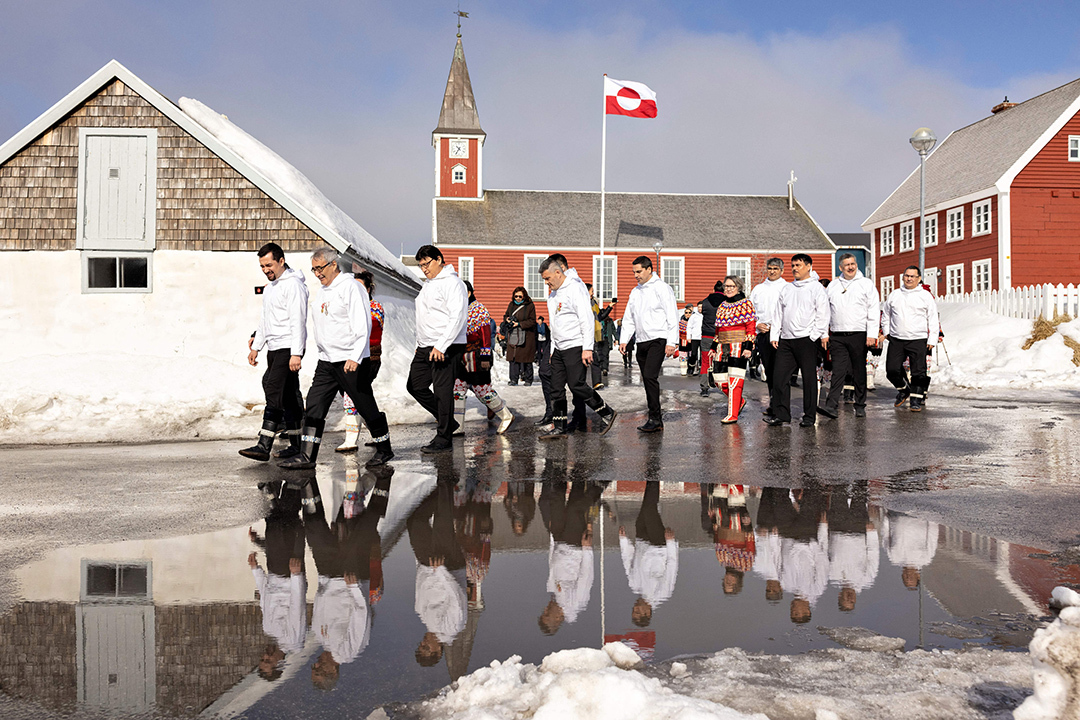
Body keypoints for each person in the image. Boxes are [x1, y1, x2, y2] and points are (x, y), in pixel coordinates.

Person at [280, 247, 393, 469]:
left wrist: (356, 356)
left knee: (364, 404)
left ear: (333, 265)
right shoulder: (322, 291)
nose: (317, 274)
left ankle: (384, 449)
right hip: (327, 361)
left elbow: (363, 324)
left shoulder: (351, 288)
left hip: (349, 360)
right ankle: (307, 456)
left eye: (320, 268)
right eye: (313, 270)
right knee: (314, 404)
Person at [240, 243, 308, 462]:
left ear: (281, 261)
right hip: (274, 346)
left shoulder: (293, 285)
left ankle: (264, 444)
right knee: (287, 394)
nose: (266, 270)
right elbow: (265, 320)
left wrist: (296, 353)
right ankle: (297, 445)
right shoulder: (270, 288)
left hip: (289, 347)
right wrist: (256, 347)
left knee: (273, 386)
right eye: (262, 266)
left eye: (269, 264)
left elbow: (298, 320)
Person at [537, 255, 618, 438]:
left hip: (575, 345)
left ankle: (606, 412)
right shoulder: (553, 294)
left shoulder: (575, 288)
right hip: (558, 348)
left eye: (548, 279)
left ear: (558, 273)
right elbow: (554, 323)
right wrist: (552, 350)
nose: (546, 283)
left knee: (576, 385)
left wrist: (587, 348)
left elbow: (586, 319)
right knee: (556, 388)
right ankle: (559, 426)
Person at [407, 245, 469, 453]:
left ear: (439, 259)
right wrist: (420, 345)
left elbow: (457, 317)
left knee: (443, 393)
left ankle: (444, 438)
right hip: (425, 347)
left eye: (427, 263)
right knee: (415, 386)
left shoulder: (453, 283)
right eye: (421, 265)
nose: (424, 268)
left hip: (446, 346)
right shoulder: (429, 285)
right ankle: (448, 422)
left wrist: (441, 346)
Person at [764, 254, 829, 427]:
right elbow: (778, 313)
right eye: (793, 265)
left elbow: (823, 314)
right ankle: (782, 414)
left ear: (808, 266)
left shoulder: (816, 288)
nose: (795, 268)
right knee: (779, 378)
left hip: (806, 340)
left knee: (808, 380)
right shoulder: (787, 288)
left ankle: (809, 416)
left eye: (798, 265)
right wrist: (774, 335)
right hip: (786, 340)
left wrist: (814, 336)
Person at [618, 256, 679, 433]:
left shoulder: (662, 288)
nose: (636, 275)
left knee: (650, 376)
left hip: (658, 339)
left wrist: (671, 342)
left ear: (649, 269)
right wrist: (624, 339)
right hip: (642, 340)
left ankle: (655, 418)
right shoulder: (635, 292)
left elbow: (672, 314)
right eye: (634, 272)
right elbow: (629, 317)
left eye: (639, 271)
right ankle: (653, 416)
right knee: (646, 378)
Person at [818, 254, 879, 420]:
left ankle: (860, 405)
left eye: (853, 264)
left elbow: (873, 309)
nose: (850, 267)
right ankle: (831, 406)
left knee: (859, 370)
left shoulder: (865, 284)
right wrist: (824, 333)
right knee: (838, 371)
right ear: (840, 267)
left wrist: (872, 334)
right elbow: (825, 311)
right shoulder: (833, 286)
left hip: (858, 334)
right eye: (847, 265)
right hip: (837, 334)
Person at [453, 281, 515, 434]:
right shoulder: (461, 310)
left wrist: (486, 357)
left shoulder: (479, 310)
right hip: (462, 357)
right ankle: (457, 426)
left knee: (482, 390)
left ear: (468, 293)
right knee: (458, 389)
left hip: (478, 356)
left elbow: (486, 336)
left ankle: (506, 415)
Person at [619, 481, 679, 626]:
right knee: (650, 510)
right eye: (639, 611)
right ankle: (654, 474)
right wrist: (670, 543)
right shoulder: (662, 594)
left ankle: (651, 478)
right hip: (659, 545)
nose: (636, 607)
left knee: (646, 507)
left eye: (634, 610)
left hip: (642, 540)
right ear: (648, 612)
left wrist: (624, 541)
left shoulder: (634, 585)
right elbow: (672, 568)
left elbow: (628, 560)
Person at [882, 266, 939, 412]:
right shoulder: (895, 294)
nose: (909, 279)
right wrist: (887, 332)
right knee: (892, 370)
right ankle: (904, 389)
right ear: (903, 277)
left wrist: (932, 339)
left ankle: (916, 400)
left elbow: (932, 318)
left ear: (919, 278)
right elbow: (886, 314)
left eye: (913, 276)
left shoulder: (925, 296)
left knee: (918, 372)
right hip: (897, 339)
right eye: (907, 276)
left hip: (918, 338)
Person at [338, 270, 384, 452]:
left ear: (368, 288)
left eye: (359, 285)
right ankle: (377, 434)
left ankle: (350, 440)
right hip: (347, 359)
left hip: (368, 359)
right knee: (361, 398)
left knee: (352, 396)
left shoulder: (374, 307)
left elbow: (368, 331)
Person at [712, 275, 757, 424]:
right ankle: (739, 401)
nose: (729, 289)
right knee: (719, 380)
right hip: (722, 346)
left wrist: (748, 346)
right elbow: (718, 329)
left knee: (735, 382)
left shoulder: (746, 304)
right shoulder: (722, 306)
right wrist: (714, 346)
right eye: (726, 286)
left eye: (732, 286)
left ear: (738, 287)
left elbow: (750, 327)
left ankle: (733, 414)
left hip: (739, 345)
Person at [749, 258, 787, 412]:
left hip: (781, 335)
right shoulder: (758, 289)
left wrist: (777, 326)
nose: (772, 271)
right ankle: (773, 401)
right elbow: (750, 312)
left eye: (776, 269)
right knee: (769, 370)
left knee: (782, 371)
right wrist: (757, 324)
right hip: (763, 333)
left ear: (782, 271)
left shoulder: (786, 288)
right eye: (770, 268)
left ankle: (781, 404)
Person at [503, 287, 537, 386]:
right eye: (516, 296)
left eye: (520, 296)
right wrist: (508, 320)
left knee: (526, 359)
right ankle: (513, 379)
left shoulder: (530, 306)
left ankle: (528, 379)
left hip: (526, 335)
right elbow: (506, 315)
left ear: (524, 296)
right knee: (513, 358)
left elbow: (532, 321)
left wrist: (519, 324)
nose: (517, 298)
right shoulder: (511, 305)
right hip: (513, 334)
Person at [697, 281, 725, 397]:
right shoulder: (726, 302)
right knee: (723, 361)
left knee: (705, 362)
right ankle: (724, 386)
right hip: (721, 336)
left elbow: (702, 313)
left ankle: (704, 388)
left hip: (706, 335)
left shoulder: (705, 302)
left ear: (714, 290)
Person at [535, 314, 554, 426]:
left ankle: (603, 411)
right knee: (544, 372)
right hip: (555, 339)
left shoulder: (582, 298)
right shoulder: (553, 299)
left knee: (575, 382)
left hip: (574, 341)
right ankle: (550, 412)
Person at [687, 303, 703, 375]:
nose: (700, 309)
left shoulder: (705, 316)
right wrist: (689, 337)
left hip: (703, 337)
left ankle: (701, 368)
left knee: (702, 354)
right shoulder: (694, 316)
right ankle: (691, 367)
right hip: (695, 337)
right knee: (694, 354)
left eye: (701, 307)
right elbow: (689, 326)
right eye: (699, 307)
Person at [678, 305, 692, 375]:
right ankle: (683, 370)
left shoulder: (693, 322)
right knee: (683, 356)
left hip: (691, 340)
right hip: (683, 340)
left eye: (689, 313)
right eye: (686, 312)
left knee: (692, 355)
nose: (688, 314)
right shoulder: (681, 322)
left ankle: (691, 369)